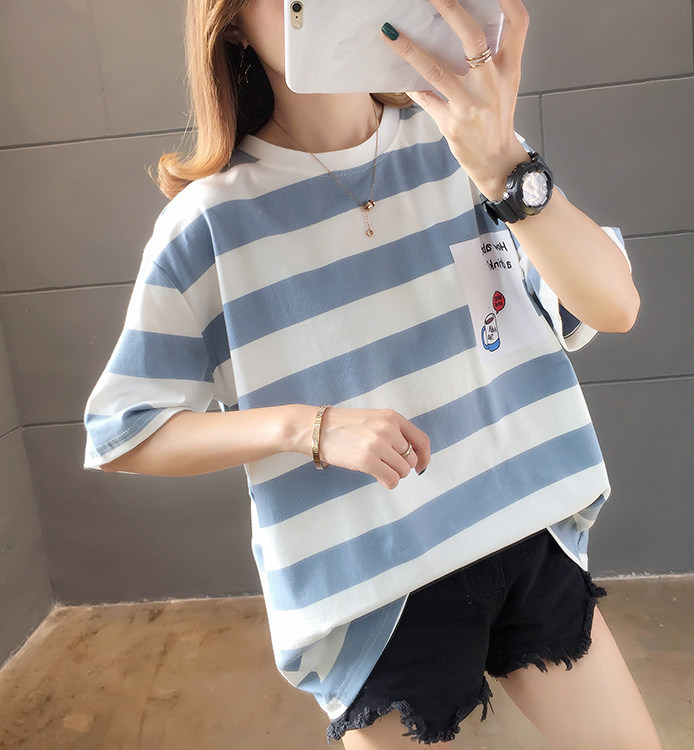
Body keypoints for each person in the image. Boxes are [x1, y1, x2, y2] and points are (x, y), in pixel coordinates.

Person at [83, 0, 662, 747]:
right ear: (229, 22)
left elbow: (614, 306)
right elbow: (124, 432)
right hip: (375, 592)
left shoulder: (465, 141)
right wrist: (308, 428)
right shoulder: (209, 223)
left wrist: (502, 164)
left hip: (527, 527)